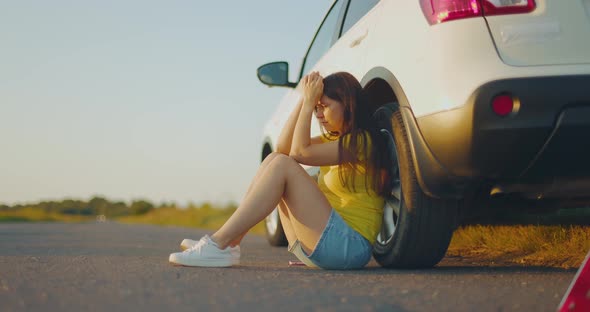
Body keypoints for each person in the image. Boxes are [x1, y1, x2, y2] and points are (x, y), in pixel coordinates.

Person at [169, 71, 390, 270]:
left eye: (324, 106)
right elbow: (283, 149)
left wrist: (308, 103)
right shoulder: (333, 140)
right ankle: (229, 243)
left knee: (283, 165)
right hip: (325, 244)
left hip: (349, 247)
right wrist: (305, 99)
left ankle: (218, 243)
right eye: (316, 108)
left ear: (348, 104)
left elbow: (300, 153)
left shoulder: (362, 142)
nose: (319, 114)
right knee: (275, 159)